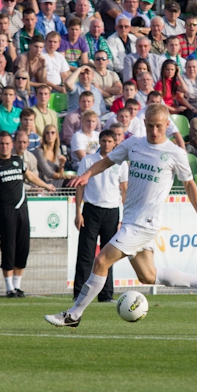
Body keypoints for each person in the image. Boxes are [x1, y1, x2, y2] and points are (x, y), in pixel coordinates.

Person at [45, 104, 197, 327]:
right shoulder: (133, 144)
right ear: (144, 124)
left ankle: (74, 315)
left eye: (159, 126)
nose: (154, 131)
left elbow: (190, 186)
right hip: (131, 220)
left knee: (101, 260)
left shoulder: (175, 153)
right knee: (147, 276)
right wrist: (87, 174)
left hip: (144, 224)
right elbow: (106, 161)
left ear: (167, 125)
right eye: (150, 126)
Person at [0, 131, 54, 298]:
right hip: (5, 211)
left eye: (7, 143)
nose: (5, 146)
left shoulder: (18, 161)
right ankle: (9, 288)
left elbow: (30, 176)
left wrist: (46, 185)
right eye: (1, 143)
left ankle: (17, 287)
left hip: (22, 209)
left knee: (23, 248)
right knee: (8, 248)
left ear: (12, 145)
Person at [74, 129, 129, 303]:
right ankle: (79, 293)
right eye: (103, 141)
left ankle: (106, 294)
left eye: (109, 141)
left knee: (109, 255)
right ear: (99, 142)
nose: (106, 144)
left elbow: (124, 190)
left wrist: (124, 217)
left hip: (112, 211)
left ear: (115, 143)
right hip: (91, 210)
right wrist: (78, 212)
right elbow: (80, 187)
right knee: (85, 253)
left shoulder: (121, 163)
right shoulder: (88, 160)